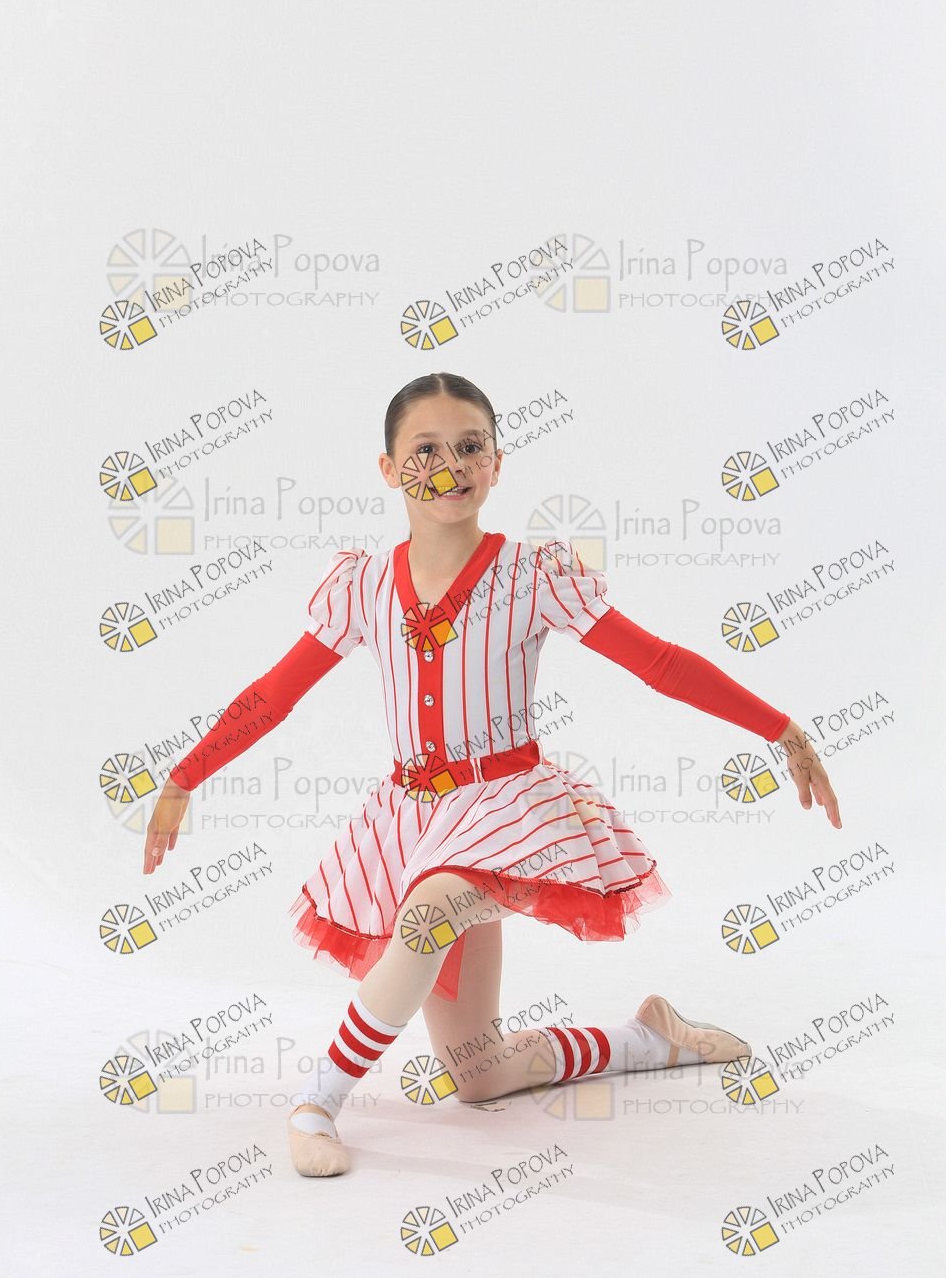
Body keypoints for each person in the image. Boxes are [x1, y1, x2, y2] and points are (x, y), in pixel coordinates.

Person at [143, 372, 841, 1178]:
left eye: (470, 446)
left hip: (507, 810)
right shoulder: (364, 587)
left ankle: (317, 1103)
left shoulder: (531, 575)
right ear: (387, 469)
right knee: (478, 1074)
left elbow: (658, 663)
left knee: (425, 918)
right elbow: (274, 694)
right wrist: (184, 777)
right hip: (412, 819)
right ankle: (650, 1039)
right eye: (425, 449)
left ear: (497, 463)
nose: (449, 466)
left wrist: (780, 729)